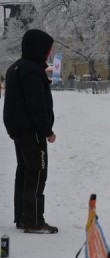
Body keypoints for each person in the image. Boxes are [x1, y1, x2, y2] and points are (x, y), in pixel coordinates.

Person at [3, 29, 58, 234]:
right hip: (33, 132)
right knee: (37, 174)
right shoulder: (33, 71)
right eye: (47, 49)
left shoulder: (15, 68)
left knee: (24, 172)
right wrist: (47, 131)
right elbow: (37, 106)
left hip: (18, 131)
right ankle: (34, 221)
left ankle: (22, 218)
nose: (48, 53)